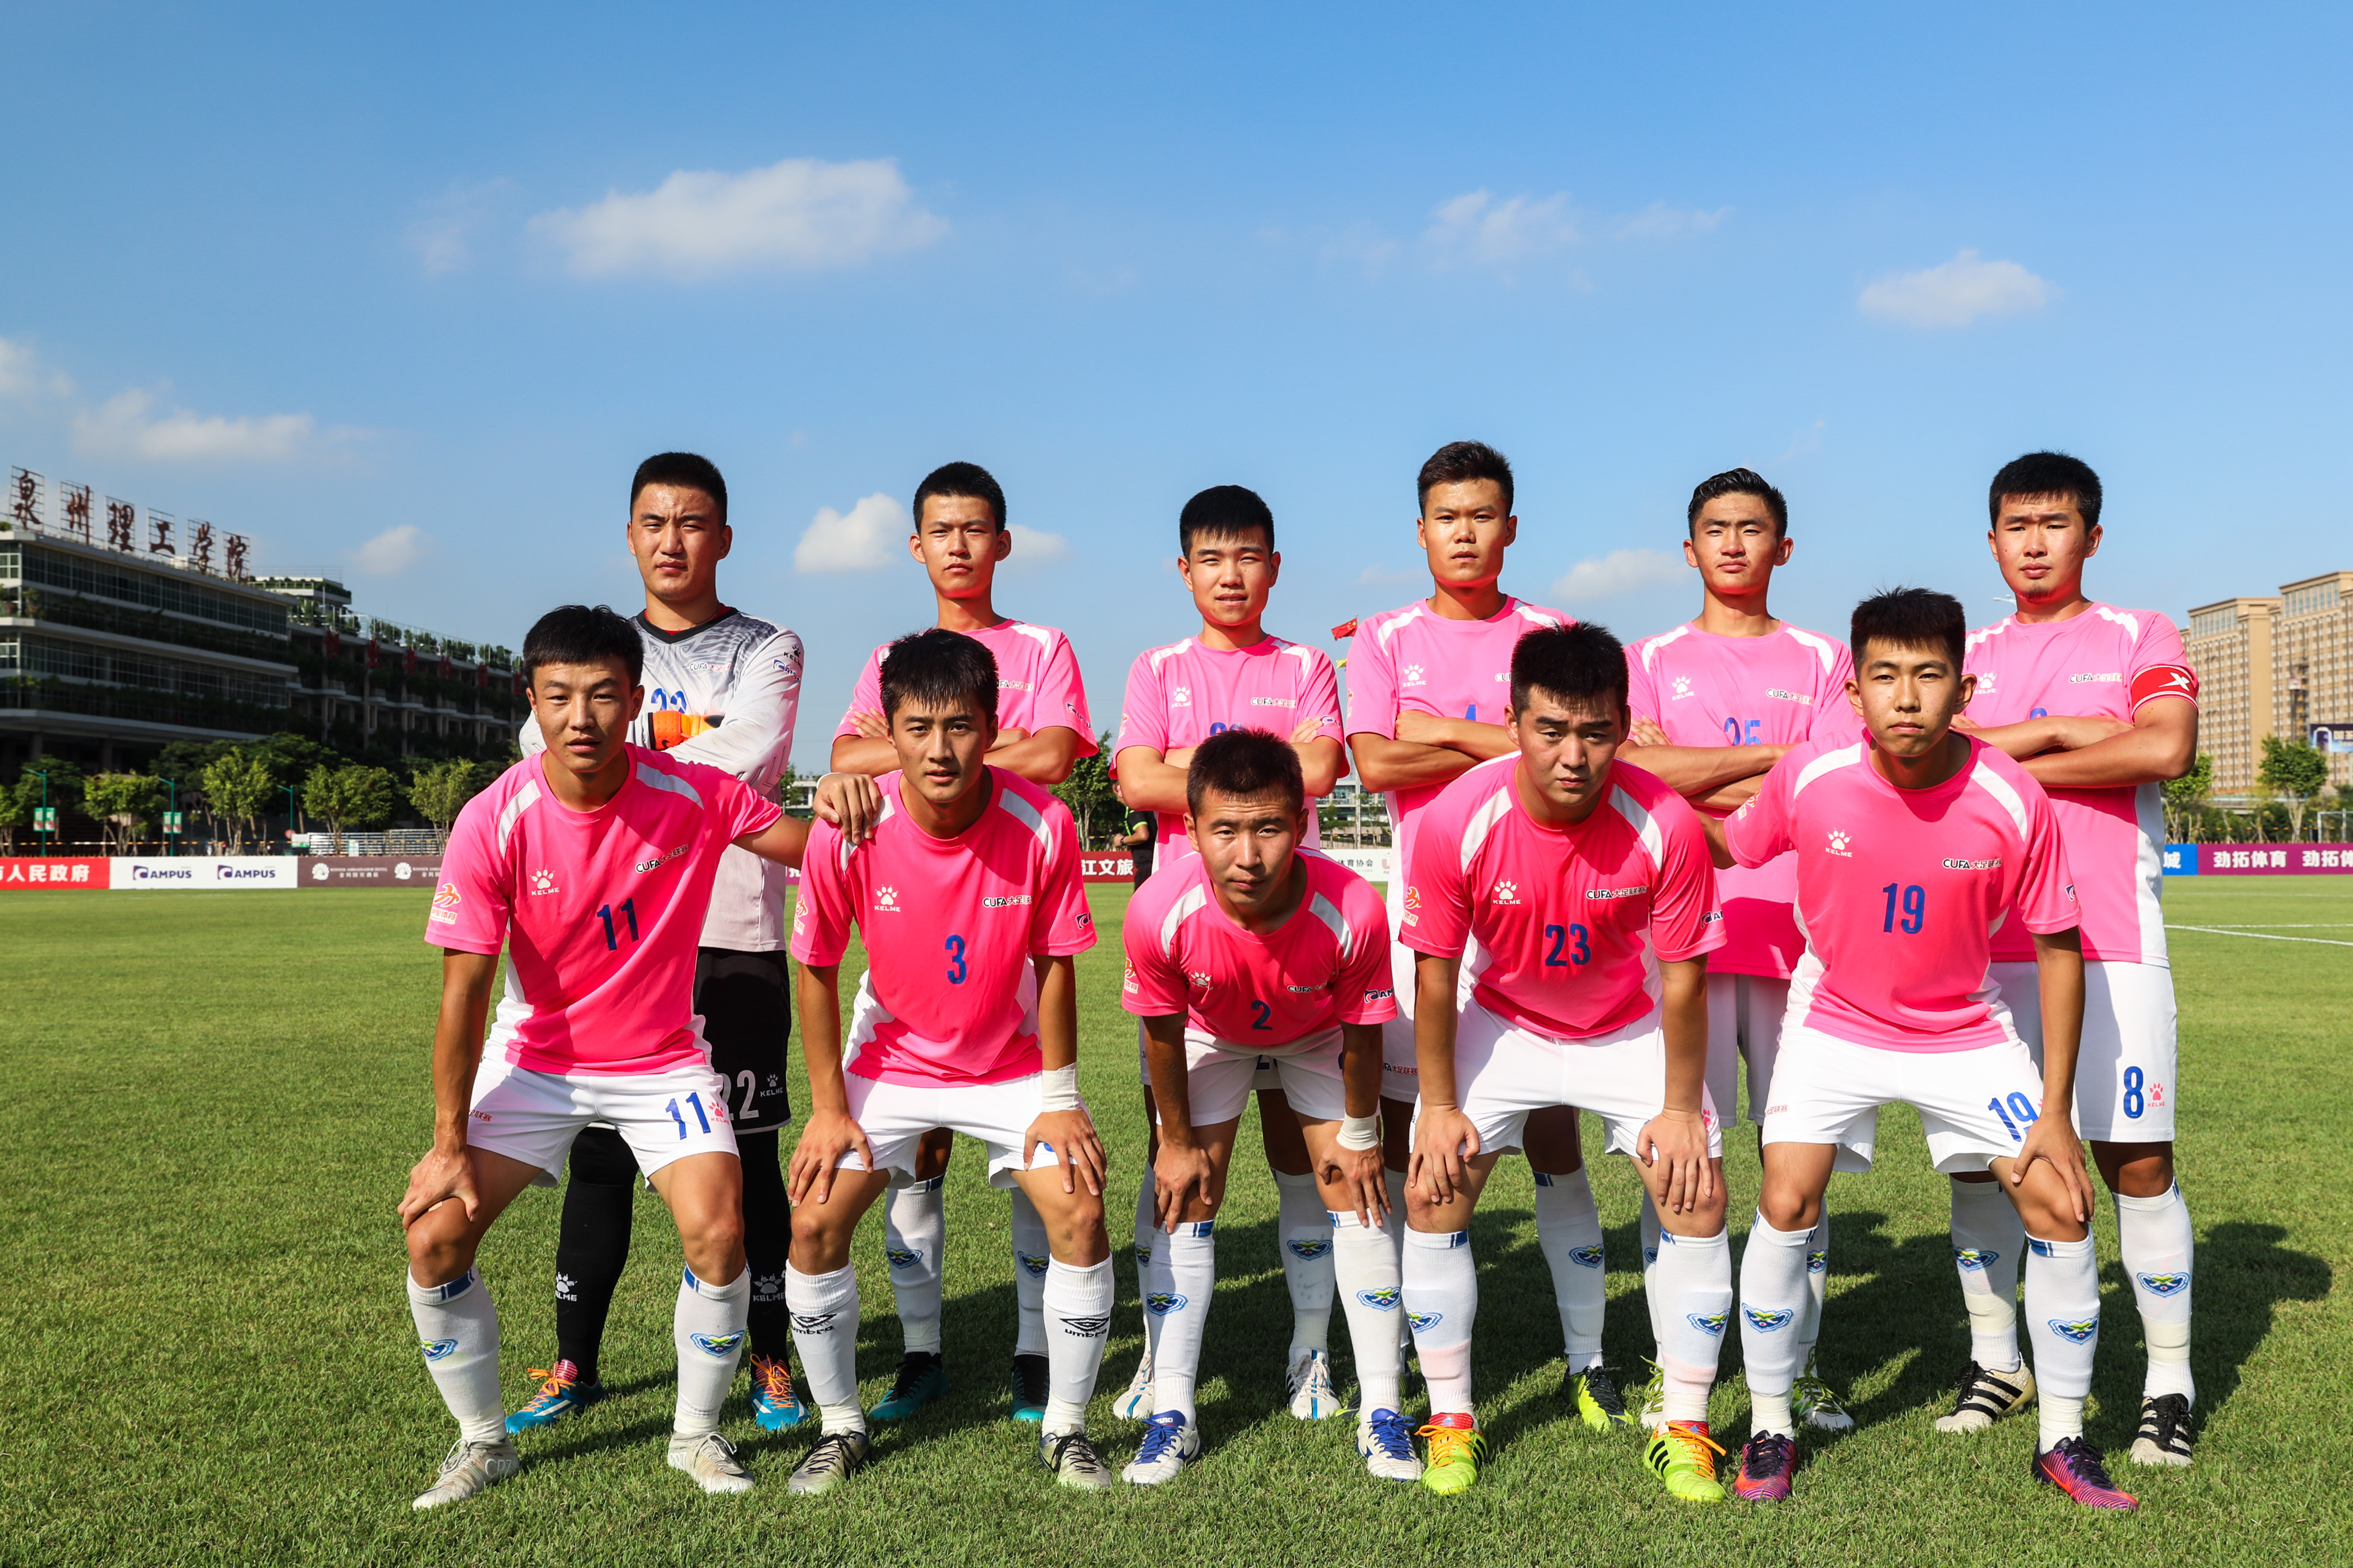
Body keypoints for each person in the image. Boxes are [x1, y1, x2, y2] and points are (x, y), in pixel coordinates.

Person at [1711, 587, 2133, 1511]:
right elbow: (1727, 845)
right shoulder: (1809, 774)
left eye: (1929, 675)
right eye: (1885, 676)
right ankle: (1771, 1425)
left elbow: (2060, 947)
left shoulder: (2010, 795)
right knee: (1786, 1196)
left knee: (2061, 1203)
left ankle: (2063, 1437)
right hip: (1835, 1019)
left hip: (1964, 1028)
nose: (1906, 697)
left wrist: (2056, 1110)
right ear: (1853, 691)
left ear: (1964, 689)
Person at [398, 603, 820, 1509]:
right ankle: (483, 1442)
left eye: (601, 695)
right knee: (434, 1235)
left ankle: (695, 1436)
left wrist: (881, 814)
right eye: (559, 696)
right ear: (532, 702)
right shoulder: (493, 817)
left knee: (721, 1230)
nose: (580, 717)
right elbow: (463, 996)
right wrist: (447, 1143)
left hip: (661, 1061)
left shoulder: (693, 793)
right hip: (537, 1061)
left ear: (635, 702)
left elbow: (817, 854)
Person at [507, 451, 813, 1438]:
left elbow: (746, 754)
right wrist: (621, 752)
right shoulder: (595, 648)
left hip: (736, 933)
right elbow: (540, 750)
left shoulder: (767, 647)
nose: (671, 540)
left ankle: (768, 1354)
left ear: (723, 537)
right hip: (612, 943)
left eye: (691, 522)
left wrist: (618, 762)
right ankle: (574, 1360)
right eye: (653, 522)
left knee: (748, 1159)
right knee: (600, 1157)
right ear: (630, 535)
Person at [1401, 622, 1733, 1501]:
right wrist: (1439, 1105)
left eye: (1595, 732)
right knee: (1433, 1186)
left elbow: (1684, 983)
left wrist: (1680, 1110)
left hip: (1623, 1027)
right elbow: (1435, 977)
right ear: (1514, 722)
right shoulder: (1457, 818)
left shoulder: (1665, 822)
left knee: (1696, 1190)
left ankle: (1685, 1425)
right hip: (1503, 1024)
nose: (1574, 756)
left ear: (1624, 725)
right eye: (1551, 730)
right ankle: (1451, 1417)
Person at [785, 628, 1117, 1494]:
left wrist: (1060, 1097)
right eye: (919, 727)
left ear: (992, 728)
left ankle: (1067, 1428)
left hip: (1011, 1064)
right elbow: (815, 969)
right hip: (891, 1063)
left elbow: (1055, 965)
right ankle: (840, 1426)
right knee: (814, 1220)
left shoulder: (1042, 822)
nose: (940, 749)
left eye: (961, 726)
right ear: (888, 732)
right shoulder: (848, 827)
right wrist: (829, 1108)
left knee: (1080, 1211)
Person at [1342, 441, 1606, 1423]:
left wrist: (1438, 732)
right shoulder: (1383, 637)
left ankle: (1587, 1360)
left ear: (1510, 527)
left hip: (1539, 917)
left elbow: (1572, 761)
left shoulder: (1552, 633)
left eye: (1482, 515)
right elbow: (1374, 763)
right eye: (1447, 517)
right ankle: (1417, 1362)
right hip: (1429, 924)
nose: (1464, 533)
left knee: (1553, 1135)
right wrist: (1495, 739)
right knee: (1416, 1142)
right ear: (1420, 531)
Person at [1945, 453, 2200, 1466]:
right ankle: (1995, 1361)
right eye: (2017, 526)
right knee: (1983, 1163)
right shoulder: (1960, 650)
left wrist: (2001, 750)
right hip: (1979, 948)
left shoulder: (2140, 633)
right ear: (1992, 541)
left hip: (2108, 942)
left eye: (2054, 525)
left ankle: (2168, 1382)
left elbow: (2162, 748)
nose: (2035, 543)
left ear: (2091, 537)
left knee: (2135, 1158)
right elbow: (1921, 757)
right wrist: (2058, 731)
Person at [829, 461, 1094, 1425]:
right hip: (913, 929)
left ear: (1002, 542)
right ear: (916, 546)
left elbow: (1057, 754)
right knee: (915, 1155)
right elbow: (846, 760)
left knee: (1032, 1154)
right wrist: (976, 749)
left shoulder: (1043, 645)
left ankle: (1031, 1351)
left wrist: (915, 756)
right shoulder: (889, 654)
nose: (958, 545)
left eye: (975, 528)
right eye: (941, 530)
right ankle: (921, 1354)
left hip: (1006, 927)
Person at [1620, 468, 1857, 1433]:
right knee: (1679, 1154)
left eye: (1750, 528)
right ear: (1689, 548)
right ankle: (1675, 1366)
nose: (1731, 543)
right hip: (1682, 938)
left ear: (1782, 547)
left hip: (1804, 941)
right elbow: (1640, 777)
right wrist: (1772, 764)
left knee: (1797, 1163)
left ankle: (1797, 1366)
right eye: (1714, 528)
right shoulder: (1645, 659)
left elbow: (1830, 784)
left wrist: (1692, 775)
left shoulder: (1826, 658)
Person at [1110, 484, 1351, 1422]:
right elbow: (1134, 779)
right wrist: (1257, 774)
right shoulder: (1156, 667)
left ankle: (1310, 1350)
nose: (1231, 574)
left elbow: (1320, 770)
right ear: (1184, 570)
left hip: (1291, 949)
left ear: (1274, 566)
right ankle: (1156, 1358)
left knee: (1303, 1163)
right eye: (1211, 558)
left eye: (1248, 556)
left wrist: (1194, 774)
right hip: (1186, 950)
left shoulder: (1304, 663)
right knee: (1174, 1159)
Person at [1119, 728, 1413, 1485]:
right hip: (1209, 1035)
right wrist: (1174, 1142)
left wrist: (1360, 1134)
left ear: (1301, 823)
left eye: (1269, 828)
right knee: (1186, 1191)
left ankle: (1377, 1405)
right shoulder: (1158, 907)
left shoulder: (1353, 907)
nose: (1247, 855)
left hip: (1315, 1036)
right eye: (1225, 830)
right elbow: (1162, 1031)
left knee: (1353, 1188)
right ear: (1191, 828)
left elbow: (1362, 1032)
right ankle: (1172, 1412)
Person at [1121, 802, 1156, 886]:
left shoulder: (1135, 808)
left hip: (1147, 865)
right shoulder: (1152, 806)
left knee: (1143, 895)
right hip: (1159, 861)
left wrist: (1122, 841)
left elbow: (1143, 835)